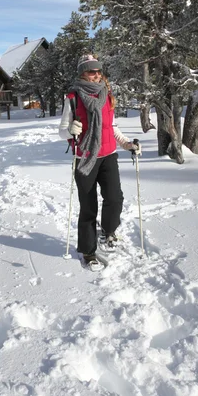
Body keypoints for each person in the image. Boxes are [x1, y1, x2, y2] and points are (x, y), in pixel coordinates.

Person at [59, 55, 141, 271]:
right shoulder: (73, 97)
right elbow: (62, 130)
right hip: (85, 158)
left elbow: (112, 127)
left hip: (108, 156)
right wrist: (70, 131)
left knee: (115, 198)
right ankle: (88, 251)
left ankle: (108, 230)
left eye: (98, 71)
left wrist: (127, 144)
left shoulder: (107, 95)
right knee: (88, 207)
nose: (95, 75)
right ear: (82, 74)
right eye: (90, 71)